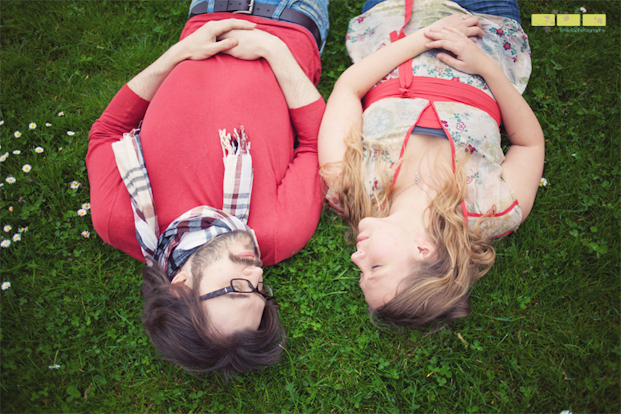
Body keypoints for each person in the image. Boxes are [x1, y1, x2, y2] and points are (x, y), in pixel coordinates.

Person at [87, 0, 328, 376]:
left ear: (181, 286)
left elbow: (106, 133)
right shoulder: (280, 233)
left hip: (209, 13)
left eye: (235, 289)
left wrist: (179, 53)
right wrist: (273, 50)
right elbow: (317, 143)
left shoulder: (121, 220)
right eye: (261, 294)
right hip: (292, 20)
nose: (257, 278)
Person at [319, 0, 543, 326]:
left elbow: (348, 89)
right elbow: (530, 143)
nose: (356, 257)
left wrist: (426, 36)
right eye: (375, 268)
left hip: (397, 16)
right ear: (424, 251)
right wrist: (484, 66)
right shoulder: (493, 211)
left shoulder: (348, 186)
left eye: (360, 272)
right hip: (482, 23)